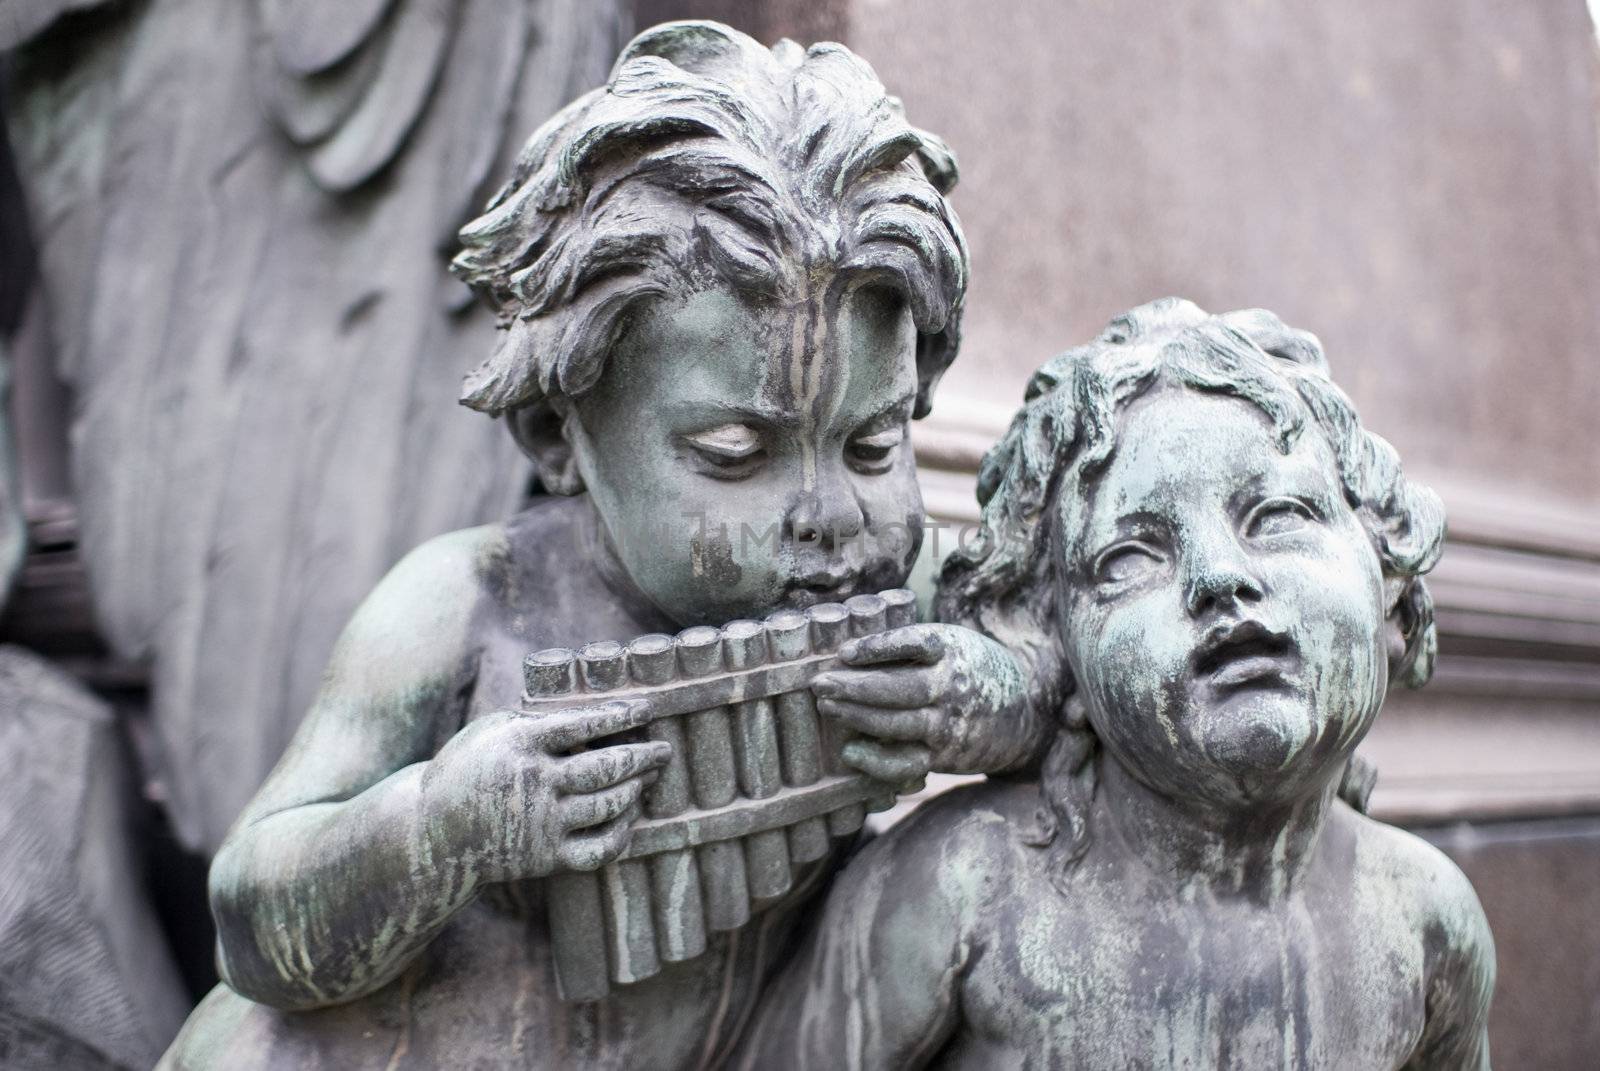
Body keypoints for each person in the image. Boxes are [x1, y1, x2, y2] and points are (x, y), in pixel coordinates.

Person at [160, 21, 1039, 1070]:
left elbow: (1074, 691)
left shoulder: (903, 590)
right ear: (559, 438)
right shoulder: (462, 604)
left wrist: (994, 703)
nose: (826, 516)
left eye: (870, 442)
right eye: (732, 451)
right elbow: (254, 924)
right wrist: (438, 829)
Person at [732, 298, 1496, 1070]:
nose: (1220, 578)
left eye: (1277, 513)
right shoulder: (963, 891)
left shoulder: (1427, 919)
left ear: (1389, 577)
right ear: (1056, 646)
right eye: (1129, 558)